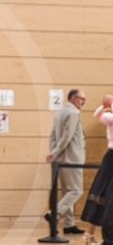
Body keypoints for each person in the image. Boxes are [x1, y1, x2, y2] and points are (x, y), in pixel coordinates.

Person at [45, 89, 86, 234]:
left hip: (61, 159)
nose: (83, 102)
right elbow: (67, 137)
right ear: (74, 98)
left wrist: (53, 152)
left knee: (67, 191)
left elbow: (53, 135)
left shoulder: (60, 113)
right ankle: (54, 213)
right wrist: (55, 152)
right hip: (72, 158)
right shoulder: (73, 113)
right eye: (82, 99)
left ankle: (69, 224)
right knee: (76, 190)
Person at [83, 94, 113, 245]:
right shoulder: (110, 118)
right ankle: (92, 233)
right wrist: (105, 106)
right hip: (111, 156)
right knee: (101, 192)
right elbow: (98, 115)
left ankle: (103, 237)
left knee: (109, 194)